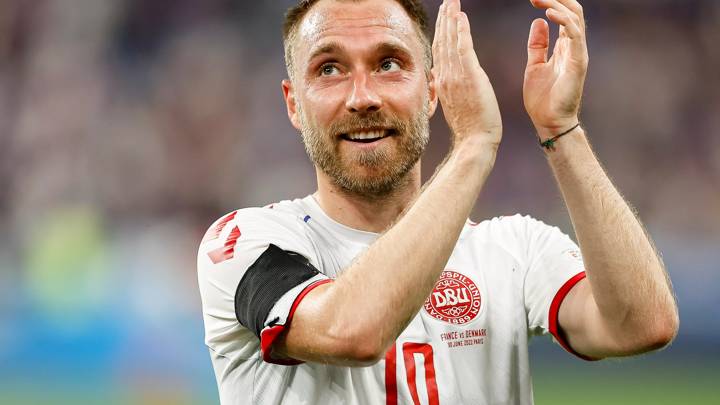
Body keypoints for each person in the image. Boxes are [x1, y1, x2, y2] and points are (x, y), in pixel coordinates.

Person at [197, 0, 679, 403]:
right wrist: (472, 146)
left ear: (431, 90)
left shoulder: (513, 249)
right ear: (293, 104)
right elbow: (352, 332)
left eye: (389, 64)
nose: (362, 97)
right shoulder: (245, 243)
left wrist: (562, 129)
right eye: (330, 69)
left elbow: (644, 325)